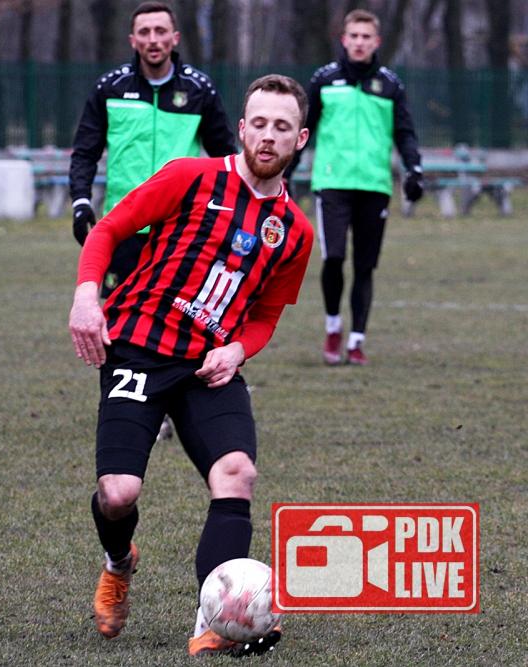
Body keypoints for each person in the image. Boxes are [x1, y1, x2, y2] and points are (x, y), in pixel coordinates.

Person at [68, 74, 313, 657]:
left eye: (282, 127)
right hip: (137, 349)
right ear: (242, 128)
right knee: (119, 493)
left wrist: (238, 350)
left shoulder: (295, 231)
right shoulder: (191, 177)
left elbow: (266, 314)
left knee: (237, 474)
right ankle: (119, 561)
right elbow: (109, 230)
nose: (269, 136)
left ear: (300, 138)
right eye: (260, 123)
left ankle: (216, 620)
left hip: (209, 366)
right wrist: (86, 297)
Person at [69, 0, 236, 442]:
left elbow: (226, 157)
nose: (153, 40)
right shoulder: (110, 88)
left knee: (181, 319)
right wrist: (81, 202)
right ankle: (121, 406)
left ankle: (175, 405)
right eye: (144, 32)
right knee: (118, 323)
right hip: (125, 226)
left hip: (184, 230)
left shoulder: (199, 89)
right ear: (133, 40)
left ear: (175, 38)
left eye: (161, 31)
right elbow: (85, 152)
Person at [286, 8, 423, 366]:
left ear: (376, 42)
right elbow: (304, 130)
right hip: (332, 182)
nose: (360, 43)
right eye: (354, 36)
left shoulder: (391, 85)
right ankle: (333, 327)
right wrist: (286, 171)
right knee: (333, 257)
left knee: (365, 266)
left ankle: (357, 340)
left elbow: (405, 133)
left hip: (374, 185)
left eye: (366, 37)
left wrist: (414, 168)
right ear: (343, 39)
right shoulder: (325, 80)